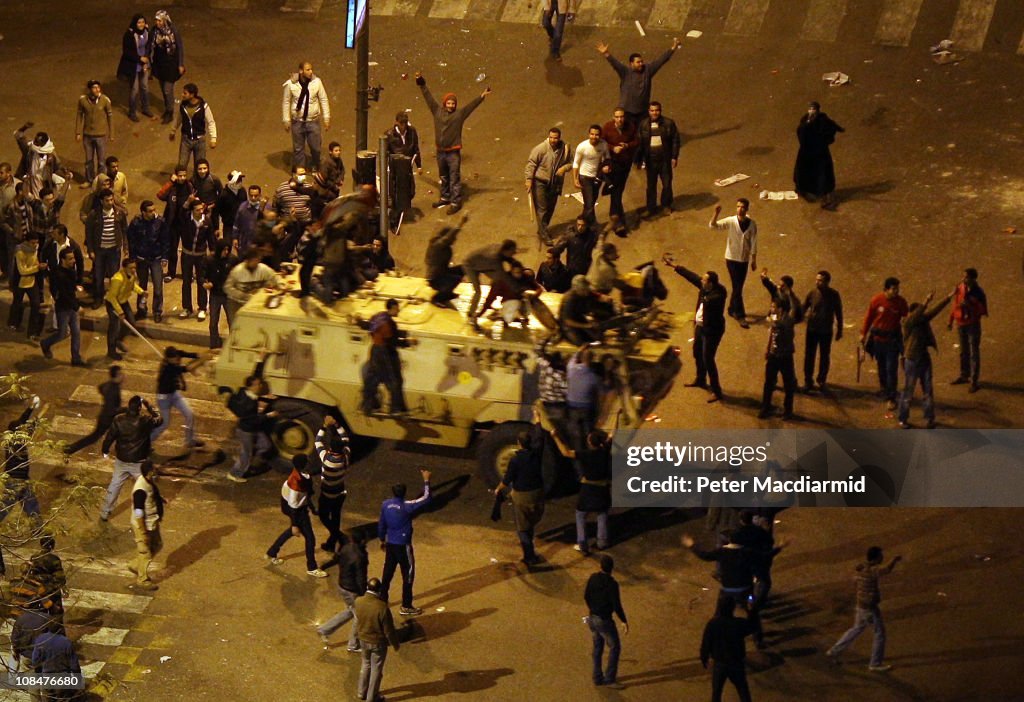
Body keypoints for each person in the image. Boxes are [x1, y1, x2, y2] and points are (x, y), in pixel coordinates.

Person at [414, 72, 491, 215]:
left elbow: (470, 107)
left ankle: (455, 201)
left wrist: (481, 97)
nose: (451, 105)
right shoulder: (437, 111)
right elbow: (428, 97)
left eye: (453, 103)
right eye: (449, 103)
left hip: (453, 152)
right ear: (445, 104)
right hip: (441, 151)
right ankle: (445, 196)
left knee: (454, 177)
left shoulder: (459, 115)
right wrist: (421, 82)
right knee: (443, 176)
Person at [683, 532, 764, 649]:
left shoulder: (722, 552)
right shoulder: (747, 552)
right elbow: (763, 557)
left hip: (728, 590)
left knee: (719, 614)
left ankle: (717, 637)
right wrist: (779, 547)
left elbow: (705, 555)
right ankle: (758, 639)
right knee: (752, 612)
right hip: (745, 590)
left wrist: (692, 545)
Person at [826, 546, 902, 671]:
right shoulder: (872, 570)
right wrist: (894, 560)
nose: (882, 557)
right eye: (880, 555)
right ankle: (875, 663)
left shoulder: (861, 567)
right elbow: (886, 569)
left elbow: (855, 579)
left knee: (856, 629)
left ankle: (834, 650)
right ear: (876, 557)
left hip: (860, 605)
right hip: (869, 608)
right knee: (880, 634)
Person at [664, 254, 727, 402]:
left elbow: (709, 301)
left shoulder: (718, 294)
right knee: (697, 352)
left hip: (712, 331)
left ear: (710, 283)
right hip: (700, 327)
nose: (701, 281)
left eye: (704, 280)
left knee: (708, 358)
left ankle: (717, 391)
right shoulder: (706, 287)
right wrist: (675, 267)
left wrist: (703, 294)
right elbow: (691, 276)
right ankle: (700, 379)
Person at [100, 395, 162, 522]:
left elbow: (109, 437)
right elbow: (159, 419)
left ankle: (105, 512)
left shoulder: (118, 419)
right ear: (139, 408)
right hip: (138, 463)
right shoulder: (145, 420)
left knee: (114, 486)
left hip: (122, 460)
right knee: (145, 487)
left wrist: (105, 450)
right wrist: (149, 405)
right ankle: (148, 513)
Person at [551, 428, 613, 554]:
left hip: (588, 490)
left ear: (590, 443)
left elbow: (566, 452)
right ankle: (602, 542)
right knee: (602, 514)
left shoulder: (585, 454)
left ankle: (582, 544)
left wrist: (555, 437)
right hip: (603, 490)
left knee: (580, 515)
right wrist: (617, 416)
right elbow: (613, 434)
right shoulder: (605, 450)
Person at [379, 468, 432, 616]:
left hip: (390, 544)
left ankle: (382, 601)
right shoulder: (407, 506)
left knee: (387, 573)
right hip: (404, 546)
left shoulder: (385, 505)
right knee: (408, 575)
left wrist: (382, 539)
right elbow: (427, 498)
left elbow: (381, 524)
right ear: (404, 493)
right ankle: (406, 605)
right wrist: (426, 480)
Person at [898, 290, 953, 429]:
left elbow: (935, 311)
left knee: (928, 390)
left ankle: (929, 418)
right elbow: (917, 315)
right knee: (908, 391)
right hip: (912, 359)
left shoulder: (921, 320)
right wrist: (926, 302)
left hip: (923, 357)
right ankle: (903, 418)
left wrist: (948, 297)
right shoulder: (908, 322)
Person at [266, 454, 328, 578]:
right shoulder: (295, 483)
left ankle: (272, 552)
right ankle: (312, 567)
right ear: (304, 465)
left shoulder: (301, 475)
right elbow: (293, 505)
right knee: (310, 539)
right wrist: (294, 524)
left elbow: (305, 496)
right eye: (307, 461)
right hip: (297, 511)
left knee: (292, 532)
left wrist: (311, 508)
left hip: (299, 509)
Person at [595, 38, 681, 125]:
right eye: (638, 62)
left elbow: (661, 61)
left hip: (642, 112)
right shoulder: (625, 72)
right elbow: (615, 63)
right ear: (631, 63)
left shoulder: (648, 70)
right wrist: (606, 53)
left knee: (642, 132)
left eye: (641, 62)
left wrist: (673, 48)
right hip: (627, 111)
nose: (641, 64)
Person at [493, 431, 546, 565]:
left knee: (522, 528)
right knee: (531, 522)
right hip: (538, 493)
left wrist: (498, 489)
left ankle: (529, 556)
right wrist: (538, 420)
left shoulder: (515, 460)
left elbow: (507, 479)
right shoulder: (537, 454)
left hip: (522, 496)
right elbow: (540, 438)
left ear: (519, 443)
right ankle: (530, 551)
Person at [860, 277, 909, 411]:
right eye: (894, 289)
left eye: (897, 289)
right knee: (881, 367)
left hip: (892, 342)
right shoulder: (876, 300)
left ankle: (891, 398)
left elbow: (907, 317)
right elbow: (869, 317)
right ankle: (884, 389)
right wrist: (863, 334)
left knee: (891, 369)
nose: (896, 291)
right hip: (877, 341)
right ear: (886, 289)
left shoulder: (901, 302)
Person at [361, 299, 417, 414]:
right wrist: (408, 342)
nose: (398, 310)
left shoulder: (378, 317)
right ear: (391, 308)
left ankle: (368, 405)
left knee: (372, 378)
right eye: (397, 308)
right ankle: (396, 408)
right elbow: (392, 341)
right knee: (395, 380)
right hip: (385, 353)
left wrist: (357, 321)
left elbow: (368, 326)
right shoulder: (388, 324)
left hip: (375, 350)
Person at [709, 200, 758, 329]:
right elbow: (713, 226)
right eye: (738, 206)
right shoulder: (731, 221)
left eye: (742, 207)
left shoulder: (752, 225)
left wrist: (753, 259)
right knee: (737, 288)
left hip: (743, 259)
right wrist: (716, 213)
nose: (740, 209)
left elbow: (754, 242)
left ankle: (731, 308)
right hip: (731, 259)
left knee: (738, 286)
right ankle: (740, 315)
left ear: (747, 209)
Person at [317, 531, 369, 651]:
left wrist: (324, 566)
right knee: (359, 616)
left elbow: (336, 558)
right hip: (353, 590)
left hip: (343, 586)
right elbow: (360, 578)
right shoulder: (359, 556)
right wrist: (363, 594)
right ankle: (353, 644)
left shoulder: (346, 548)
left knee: (351, 611)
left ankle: (325, 629)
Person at [226, 365, 277, 483]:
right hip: (246, 431)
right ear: (251, 387)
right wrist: (269, 415)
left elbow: (255, 375)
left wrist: (260, 360)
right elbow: (252, 419)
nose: (260, 386)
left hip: (253, 428)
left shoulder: (245, 391)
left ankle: (243, 458)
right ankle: (234, 473)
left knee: (265, 446)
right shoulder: (247, 403)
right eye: (258, 384)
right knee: (247, 454)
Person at [583, 555, 628, 689]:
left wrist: (592, 609)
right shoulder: (612, 584)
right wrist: (624, 620)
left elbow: (586, 596)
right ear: (612, 568)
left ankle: (597, 677)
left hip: (592, 618)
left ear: (600, 566)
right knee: (615, 647)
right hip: (604, 620)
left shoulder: (593, 578)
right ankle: (610, 679)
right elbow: (616, 605)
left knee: (597, 647)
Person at [354, 577, 401, 702]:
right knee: (376, 669)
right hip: (377, 642)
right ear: (379, 590)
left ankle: (361, 692)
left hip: (363, 639)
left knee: (365, 664)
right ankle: (372, 697)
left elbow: (357, 618)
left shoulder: (358, 601)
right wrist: (395, 644)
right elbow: (389, 630)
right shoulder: (382, 607)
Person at [149, 346, 204, 450]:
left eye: (176, 357)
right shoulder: (168, 368)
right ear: (168, 358)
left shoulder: (174, 354)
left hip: (174, 394)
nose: (175, 359)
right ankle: (146, 442)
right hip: (163, 399)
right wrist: (202, 360)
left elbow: (185, 353)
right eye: (173, 358)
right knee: (164, 424)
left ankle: (190, 440)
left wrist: (198, 355)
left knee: (190, 414)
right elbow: (187, 369)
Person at [700, 598, 754, 702]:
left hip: (720, 663)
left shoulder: (713, 624)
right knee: (742, 690)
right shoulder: (738, 624)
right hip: (736, 663)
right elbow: (752, 626)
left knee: (717, 692)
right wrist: (751, 610)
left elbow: (706, 643)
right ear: (732, 609)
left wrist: (704, 658)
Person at [759, 288, 802, 420]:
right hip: (773, 355)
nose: (771, 308)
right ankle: (765, 407)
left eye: (773, 306)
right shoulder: (776, 318)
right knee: (768, 383)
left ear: (781, 308)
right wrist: (767, 349)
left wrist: (771, 322)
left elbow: (779, 326)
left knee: (789, 385)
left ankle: (788, 411)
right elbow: (771, 334)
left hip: (785, 356)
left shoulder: (787, 320)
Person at [525, 127, 573, 245]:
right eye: (551, 137)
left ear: (559, 138)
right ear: (548, 137)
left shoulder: (565, 149)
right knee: (542, 209)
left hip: (555, 183)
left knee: (550, 208)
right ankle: (544, 233)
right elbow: (531, 164)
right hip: (540, 182)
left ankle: (542, 228)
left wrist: (564, 168)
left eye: (555, 138)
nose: (553, 140)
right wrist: (529, 179)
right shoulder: (540, 148)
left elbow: (573, 162)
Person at [794, 101, 845, 209]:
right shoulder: (805, 119)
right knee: (804, 171)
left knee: (823, 174)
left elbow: (831, 126)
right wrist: (807, 124)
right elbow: (800, 131)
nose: (811, 111)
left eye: (814, 109)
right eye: (810, 109)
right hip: (807, 151)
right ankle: (805, 190)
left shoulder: (822, 119)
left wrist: (837, 130)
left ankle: (825, 197)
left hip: (820, 151)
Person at [39, 248, 85, 366]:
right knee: (62, 334)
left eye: (73, 258)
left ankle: (76, 358)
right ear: (63, 260)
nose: (73, 261)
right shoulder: (58, 274)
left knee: (76, 332)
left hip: (71, 305)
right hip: (63, 308)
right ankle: (46, 343)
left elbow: (70, 289)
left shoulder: (70, 271)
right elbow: (63, 293)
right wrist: (77, 306)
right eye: (70, 259)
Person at [282, 61, 331, 169]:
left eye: (311, 69)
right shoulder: (291, 84)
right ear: (301, 71)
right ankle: (300, 169)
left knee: (316, 147)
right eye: (308, 69)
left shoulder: (316, 82)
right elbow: (286, 102)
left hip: (313, 120)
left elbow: (323, 99)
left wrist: (326, 117)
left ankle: (316, 164)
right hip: (297, 121)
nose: (311, 72)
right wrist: (286, 120)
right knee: (298, 148)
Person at [65, 366, 123, 455]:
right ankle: (71, 448)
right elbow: (111, 409)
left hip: (105, 416)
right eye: (120, 374)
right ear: (117, 376)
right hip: (107, 419)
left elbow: (100, 387)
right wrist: (124, 410)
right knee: (94, 437)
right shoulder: (114, 390)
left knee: (95, 437)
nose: (123, 376)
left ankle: (71, 448)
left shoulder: (109, 384)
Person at [127, 200, 169, 322]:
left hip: (156, 258)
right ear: (143, 212)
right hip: (141, 259)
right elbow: (132, 241)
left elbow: (165, 240)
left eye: (154, 210)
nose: (153, 213)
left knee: (158, 287)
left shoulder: (160, 222)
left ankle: (157, 311)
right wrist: (133, 258)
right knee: (142, 287)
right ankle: (141, 310)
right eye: (150, 211)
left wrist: (165, 257)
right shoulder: (136, 223)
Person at [636, 101, 680, 217]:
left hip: (664, 160)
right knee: (651, 186)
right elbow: (640, 144)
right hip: (650, 161)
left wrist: (674, 157)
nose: (654, 113)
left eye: (657, 110)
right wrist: (639, 160)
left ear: (660, 111)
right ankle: (651, 208)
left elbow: (675, 141)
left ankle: (666, 205)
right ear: (648, 111)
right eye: (652, 110)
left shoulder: (668, 123)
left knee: (666, 184)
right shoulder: (643, 124)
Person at [315, 416, 353, 552]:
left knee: (323, 516)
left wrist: (324, 426)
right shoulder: (346, 456)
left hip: (327, 494)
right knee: (336, 516)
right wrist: (336, 423)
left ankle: (336, 535)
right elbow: (345, 438)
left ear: (330, 447)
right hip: (340, 493)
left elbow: (318, 441)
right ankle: (332, 541)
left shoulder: (326, 458)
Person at [85, 188, 128, 307]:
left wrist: (125, 247)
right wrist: (91, 250)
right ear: (101, 201)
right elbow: (88, 234)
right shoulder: (94, 215)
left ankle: (113, 299)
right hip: (99, 250)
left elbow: (124, 230)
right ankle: (98, 298)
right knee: (98, 276)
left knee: (114, 277)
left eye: (111, 199)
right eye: (107, 200)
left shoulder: (119, 213)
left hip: (114, 250)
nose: (110, 202)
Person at [802, 270, 843, 392]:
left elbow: (839, 312)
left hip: (826, 331)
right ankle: (808, 380)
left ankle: (821, 380)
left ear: (827, 282)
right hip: (812, 330)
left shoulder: (834, 295)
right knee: (809, 356)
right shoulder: (812, 293)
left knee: (825, 356)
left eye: (820, 280)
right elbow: (804, 308)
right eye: (817, 280)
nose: (817, 282)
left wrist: (839, 329)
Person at [462, 239, 518, 327]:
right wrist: (516, 288)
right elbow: (504, 276)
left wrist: (515, 263)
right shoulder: (494, 258)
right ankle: (471, 313)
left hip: (483, 264)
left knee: (499, 280)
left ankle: (496, 295)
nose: (514, 253)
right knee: (478, 292)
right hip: (470, 266)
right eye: (513, 251)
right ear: (506, 250)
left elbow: (507, 258)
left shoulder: (501, 248)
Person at [949, 268, 987, 393]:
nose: (963, 279)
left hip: (972, 325)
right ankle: (964, 375)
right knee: (963, 351)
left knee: (974, 353)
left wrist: (970, 305)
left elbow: (982, 311)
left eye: (966, 277)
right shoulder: (960, 288)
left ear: (973, 279)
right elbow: (955, 304)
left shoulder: (978, 293)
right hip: (961, 323)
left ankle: (974, 381)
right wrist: (951, 320)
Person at [600, 109, 638, 234]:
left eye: (622, 117)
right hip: (613, 163)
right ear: (613, 117)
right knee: (617, 190)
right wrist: (612, 148)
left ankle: (618, 216)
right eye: (617, 117)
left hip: (625, 163)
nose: (620, 119)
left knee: (618, 190)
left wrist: (627, 146)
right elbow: (602, 142)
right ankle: (616, 218)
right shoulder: (607, 127)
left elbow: (637, 141)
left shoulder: (630, 127)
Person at [178, 199, 215, 320]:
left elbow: (211, 238)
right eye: (197, 210)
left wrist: (213, 252)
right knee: (186, 281)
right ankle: (187, 308)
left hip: (201, 256)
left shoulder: (207, 221)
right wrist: (187, 201)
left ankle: (203, 308)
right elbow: (180, 211)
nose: (200, 211)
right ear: (192, 210)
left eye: (201, 209)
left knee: (201, 282)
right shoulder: (186, 219)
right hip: (187, 254)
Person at [156, 164, 195, 280]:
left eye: (184, 175)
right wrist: (170, 182)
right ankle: (171, 273)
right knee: (172, 248)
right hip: (172, 223)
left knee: (187, 250)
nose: (182, 178)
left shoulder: (189, 186)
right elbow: (160, 195)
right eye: (180, 176)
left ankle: (187, 273)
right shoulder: (172, 187)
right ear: (175, 175)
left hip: (186, 222)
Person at [130, 460, 164, 591]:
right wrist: (143, 532)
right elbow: (138, 512)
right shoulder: (140, 489)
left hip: (152, 521)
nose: (156, 472)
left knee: (158, 545)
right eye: (154, 470)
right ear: (149, 473)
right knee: (146, 553)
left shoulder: (148, 482)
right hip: (143, 525)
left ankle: (136, 565)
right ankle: (142, 579)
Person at [169, 83, 217, 174]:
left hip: (200, 141)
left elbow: (211, 122)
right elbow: (179, 118)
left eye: (185, 93)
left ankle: (198, 186)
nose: (182, 95)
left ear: (192, 95)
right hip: (186, 140)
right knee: (181, 165)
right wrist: (173, 130)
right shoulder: (183, 106)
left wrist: (213, 138)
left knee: (200, 167)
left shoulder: (203, 106)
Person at [384, 113, 422, 227]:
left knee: (410, 191)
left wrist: (419, 165)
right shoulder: (389, 135)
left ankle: (401, 209)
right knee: (395, 193)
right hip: (395, 168)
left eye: (405, 123)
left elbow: (416, 148)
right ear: (396, 122)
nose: (403, 126)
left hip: (407, 166)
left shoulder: (412, 132)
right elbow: (385, 152)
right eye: (401, 123)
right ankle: (394, 218)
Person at [7, 231, 46, 340]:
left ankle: (32, 332)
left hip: (32, 281)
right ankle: (13, 323)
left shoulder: (36, 248)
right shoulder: (20, 251)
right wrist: (37, 268)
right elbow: (22, 271)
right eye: (33, 243)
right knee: (17, 303)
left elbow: (35, 261)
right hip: (20, 282)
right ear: (27, 242)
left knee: (36, 305)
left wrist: (39, 265)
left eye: (36, 243)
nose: (35, 245)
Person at [76, 80, 114, 185]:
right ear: (89, 89)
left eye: (98, 87)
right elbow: (79, 116)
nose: (97, 90)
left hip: (101, 135)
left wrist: (111, 133)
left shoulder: (105, 100)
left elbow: (110, 117)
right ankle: (89, 180)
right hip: (87, 135)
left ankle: (101, 181)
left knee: (101, 161)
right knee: (89, 160)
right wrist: (78, 132)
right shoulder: (83, 100)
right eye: (94, 88)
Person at [225, 247, 280, 320]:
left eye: (258, 260)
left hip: (256, 303)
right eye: (254, 260)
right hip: (237, 303)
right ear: (248, 260)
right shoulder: (237, 271)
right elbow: (227, 288)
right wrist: (242, 295)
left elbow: (275, 278)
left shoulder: (263, 269)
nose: (256, 262)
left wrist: (277, 285)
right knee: (237, 326)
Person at [104, 257, 142, 361]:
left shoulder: (132, 275)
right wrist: (120, 312)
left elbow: (132, 286)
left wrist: (141, 292)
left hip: (123, 301)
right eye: (131, 268)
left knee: (131, 323)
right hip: (113, 304)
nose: (133, 270)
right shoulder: (117, 279)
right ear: (124, 268)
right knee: (114, 328)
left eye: (134, 267)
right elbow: (112, 297)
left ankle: (118, 340)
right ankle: (111, 351)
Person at [572, 125, 611, 226]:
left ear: (600, 135)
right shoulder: (582, 146)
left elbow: (607, 157)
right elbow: (576, 163)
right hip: (584, 177)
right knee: (589, 203)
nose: (594, 137)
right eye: (592, 134)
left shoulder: (603, 145)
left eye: (597, 135)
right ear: (589, 134)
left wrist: (606, 166)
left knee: (592, 201)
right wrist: (575, 179)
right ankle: (582, 222)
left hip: (597, 177)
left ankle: (591, 222)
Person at [151, 10, 185, 124]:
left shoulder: (173, 31)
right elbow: (150, 45)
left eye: (159, 20)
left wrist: (180, 64)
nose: (157, 23)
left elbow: (180, 48)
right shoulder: (154, 31)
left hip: (171, 64)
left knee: (167, 89)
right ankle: (167, 108)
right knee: (162, 88)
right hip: (160, 64)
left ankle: (170, 111)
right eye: (156, 20)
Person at [117, 14, 152, 121]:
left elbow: (149, 47)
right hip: (133, 65)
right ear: (135, 23)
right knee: (135, 89)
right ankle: (132, 112)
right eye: (139, 22)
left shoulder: (146, 32)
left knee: (145, 87)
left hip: (144, 64)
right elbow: (127, 52)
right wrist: (139, 59)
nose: (141, 24)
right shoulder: (129, 35)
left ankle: (145, 108)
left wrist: (146, 60)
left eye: (142, 22)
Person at [14, 125, 63, 200]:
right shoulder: (29, 151)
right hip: (30, 184)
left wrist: (65, 173)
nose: (35, 143)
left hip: (45, 186)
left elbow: (58, 168)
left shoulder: (51, 156)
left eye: (37, 143)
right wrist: (24, 127)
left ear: (44, 145)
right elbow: (18, 136)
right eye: (35, 141)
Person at [31, 626, 81, 701]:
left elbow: (35, 660)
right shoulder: (66, 642)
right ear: (61, 629)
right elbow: (74, 664)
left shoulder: (40, 639)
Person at [203, 239, 236, 348]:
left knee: (232, 322)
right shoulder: (210, 260)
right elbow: (202, 275)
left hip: (228, 295)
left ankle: (234, 345)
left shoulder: (232, 260)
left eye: (227, 249)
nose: (226, 252)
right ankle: (214, 345)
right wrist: (205, 283)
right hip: (215, 295)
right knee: (213, 323)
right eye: (224, 249)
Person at [425, 222, 464, 308]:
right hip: (434, 278)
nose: (455, 239)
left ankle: (447, 293)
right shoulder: (437, 246)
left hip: (442, 272)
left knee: (463, 268)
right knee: (455, 279)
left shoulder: (444, 247)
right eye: (454, 237)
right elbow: (446, 238)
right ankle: (436, 298)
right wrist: (461, 223)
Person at [190, 158, 222, 236]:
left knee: (215, 232)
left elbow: (221, 194)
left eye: (205, 168)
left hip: (212, 209)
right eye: (200, 169)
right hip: (199, 209)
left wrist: (214, 204)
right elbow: (191, 194)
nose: (202, 171)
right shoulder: (193, 180)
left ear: (208, 168)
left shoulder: (214, 179)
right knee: (200, 231)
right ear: (196, 170)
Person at [232, 185, 266, 255]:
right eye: (251, 195)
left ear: (260, 195)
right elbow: (236, 224)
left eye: (256, 196)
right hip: (245, 243)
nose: (253, 198)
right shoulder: (242, 207)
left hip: (260, 244)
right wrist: (235, 238)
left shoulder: (266, 208)